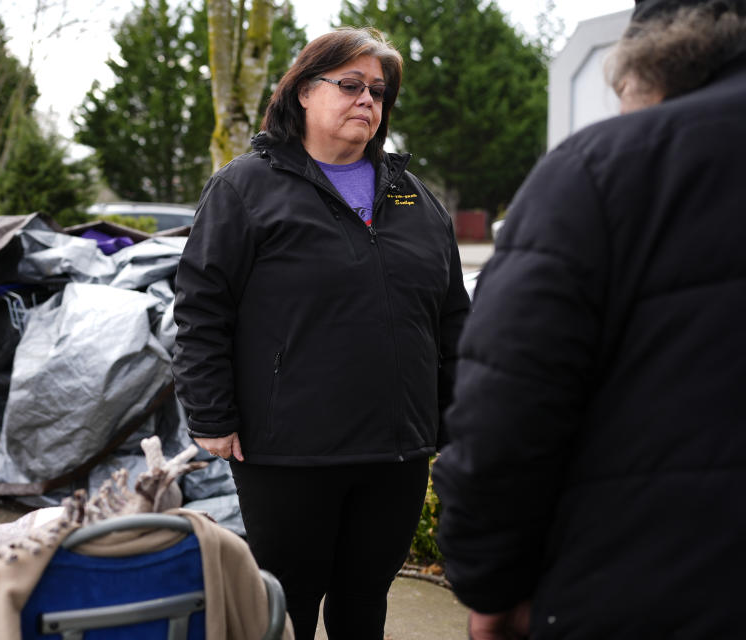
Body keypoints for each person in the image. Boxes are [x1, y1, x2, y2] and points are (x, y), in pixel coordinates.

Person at [431, 0, 746, 638]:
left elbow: (505, 412)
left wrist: (488, 587)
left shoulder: (600, 169)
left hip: (644, 594)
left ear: (646, 65)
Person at [171, 27, 470, 639]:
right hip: (289, 450)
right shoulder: (245, 188)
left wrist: (458, 416)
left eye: (378, 91)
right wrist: (211, 414)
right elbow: (202, 308)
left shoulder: (415, 199)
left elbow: (451, 318)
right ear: (305, 91)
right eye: (351, 85)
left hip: (397, 449)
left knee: (365, 601)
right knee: (289, 603)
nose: (368, 101)